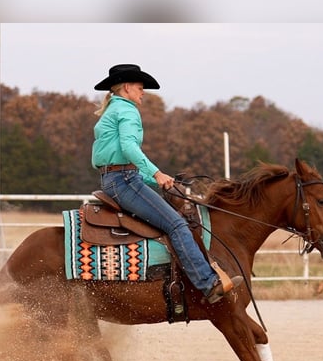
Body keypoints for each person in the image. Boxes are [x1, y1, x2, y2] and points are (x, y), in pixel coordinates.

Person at [91, 63, 242, 304]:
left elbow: (119, 155)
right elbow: (129, 149)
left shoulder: (112, 110)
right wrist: (158, 173)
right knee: (177, 224)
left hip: (116, 178)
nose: (143, 93)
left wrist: (157, 179)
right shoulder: (128, 111)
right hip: (124, 181)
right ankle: (207, 284)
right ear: (127, 88)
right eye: (140, 88)